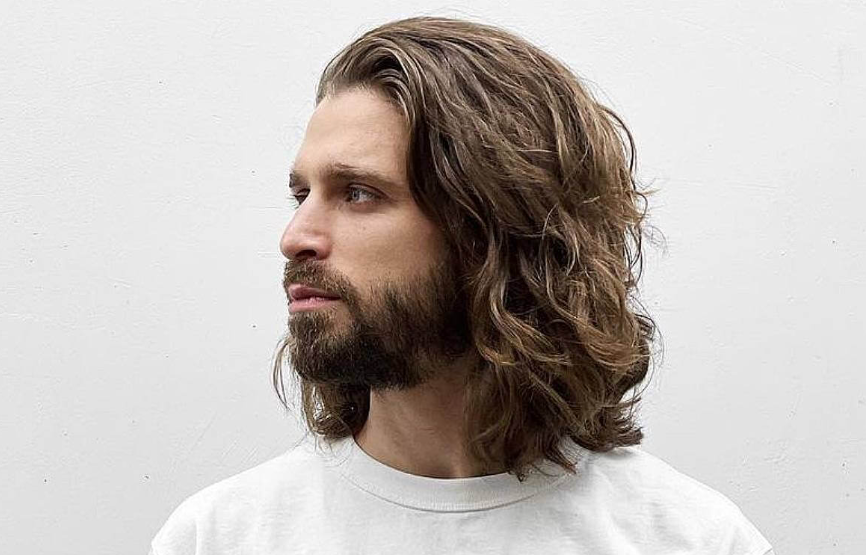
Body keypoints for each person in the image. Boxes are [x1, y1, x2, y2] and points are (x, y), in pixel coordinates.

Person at [150, 16, 774, 555]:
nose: (295, 237)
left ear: (493, 231)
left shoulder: (687, 539)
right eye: (301, 194)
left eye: (358, 193)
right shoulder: (223, 536)